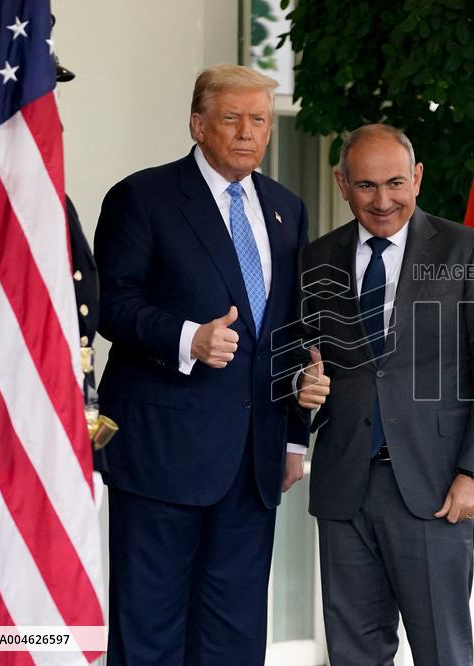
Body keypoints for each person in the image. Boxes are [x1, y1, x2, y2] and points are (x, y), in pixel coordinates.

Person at [94, 64, 309, 665]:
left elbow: (292, 329)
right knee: (150, 631)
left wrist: (294, 437)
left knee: (234, 636)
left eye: (259, 120)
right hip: (161, 454)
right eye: (231, 118)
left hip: (254, 460)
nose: (247, 132)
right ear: (197, 124)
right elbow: (113, 303)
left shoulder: (286, 209)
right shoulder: (143, 197)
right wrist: (188, 339)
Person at [295, 124, 474, 666]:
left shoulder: (466, 248)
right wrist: (300, 383)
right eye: (366, 185)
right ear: (342, 183)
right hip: (345, 486)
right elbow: (298, 356)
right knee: (354, 654)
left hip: (436, 489)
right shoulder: (316, 259)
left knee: (442, 652)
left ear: (416, 178)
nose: (382, 200)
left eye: (395, 183)